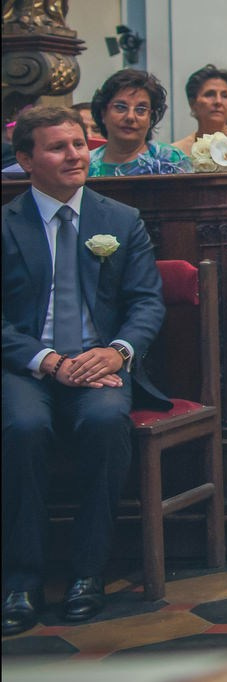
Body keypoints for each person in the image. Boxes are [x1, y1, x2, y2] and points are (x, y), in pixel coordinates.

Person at [3, 107, 168, 634]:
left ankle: (86, 573)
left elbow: (147, 303)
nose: (75, 155)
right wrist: (45, 359)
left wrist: (117, 352)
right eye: (58, 147)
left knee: (103, 424)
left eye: (78, 144)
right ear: (26, 159)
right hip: (29, 368)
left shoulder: (119, 221)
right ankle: (22, 579)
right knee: (23, 429)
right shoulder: (7, 225)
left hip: (100, 366)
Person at [87, 69, 191, 177]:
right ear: (103, 113)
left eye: (141, 110)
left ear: (151, 117)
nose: (130, 117)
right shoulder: (85, 164)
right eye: (120, 107)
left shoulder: (171, 159)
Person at [174, 64, 227, 168]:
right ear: (192, 104)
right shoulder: (175, 153)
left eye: (225, 96)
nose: (218, 102)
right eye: (209, 94)